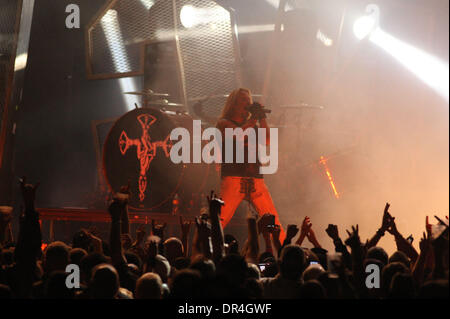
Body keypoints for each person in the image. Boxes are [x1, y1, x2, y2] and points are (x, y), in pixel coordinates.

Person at [216, 88, 285, 240]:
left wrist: (262, 118)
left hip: (255, 179)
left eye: (249, 100)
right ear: (233, 103)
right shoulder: (224, 123)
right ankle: (206, 250)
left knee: (273, 220)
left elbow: (267, 141)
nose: (248, 103)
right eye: (243, 99)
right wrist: (254, 119)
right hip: (234, 179)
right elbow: (239, 135)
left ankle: (286, 252)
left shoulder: (252, 125)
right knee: (220, 220)